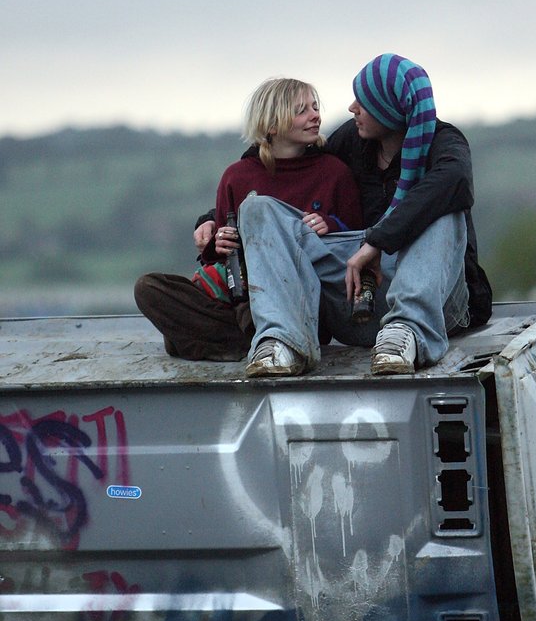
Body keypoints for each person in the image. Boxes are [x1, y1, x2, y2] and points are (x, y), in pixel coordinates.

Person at [229, 53, 491, 378]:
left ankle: (406, 331)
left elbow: (455, 183)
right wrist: (216, 217)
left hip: (436, 303)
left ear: (389, 109)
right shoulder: (352, 141)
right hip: (358, 301)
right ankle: (284, 342)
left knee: (444, 208)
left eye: (364, 102)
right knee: (257, 207)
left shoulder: (444, 143)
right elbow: (285, 163)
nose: (353, 108)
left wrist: (377, 241)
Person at [134, 77, 362, 361]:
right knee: (149, 288)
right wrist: (218, 242)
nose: (315, 115)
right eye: (302, 110)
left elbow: (356, 248)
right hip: (238, 295)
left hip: (300, 300)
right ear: (272, 125)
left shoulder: (334, 172)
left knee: (185, 335)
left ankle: (211, 339)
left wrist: (331, 226)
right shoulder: (237, 176)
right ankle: (246, 342)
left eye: (316, 107)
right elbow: (217, 261)